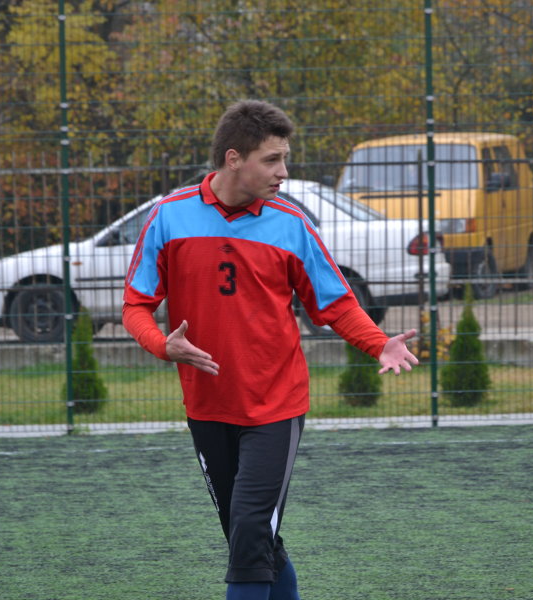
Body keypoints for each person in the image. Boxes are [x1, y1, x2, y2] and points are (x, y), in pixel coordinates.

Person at [123, 99, 418, 600]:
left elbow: (336, 304)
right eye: (272, 160)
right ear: (233, 159)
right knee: (255, 539)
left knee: (249, 535)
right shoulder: (169, 217)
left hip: (275, 408)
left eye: (285, 159)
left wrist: (378, 343)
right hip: (207, 406)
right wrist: (162, 345)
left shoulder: (291, 223)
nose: (284, 172)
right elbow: (135, 305)